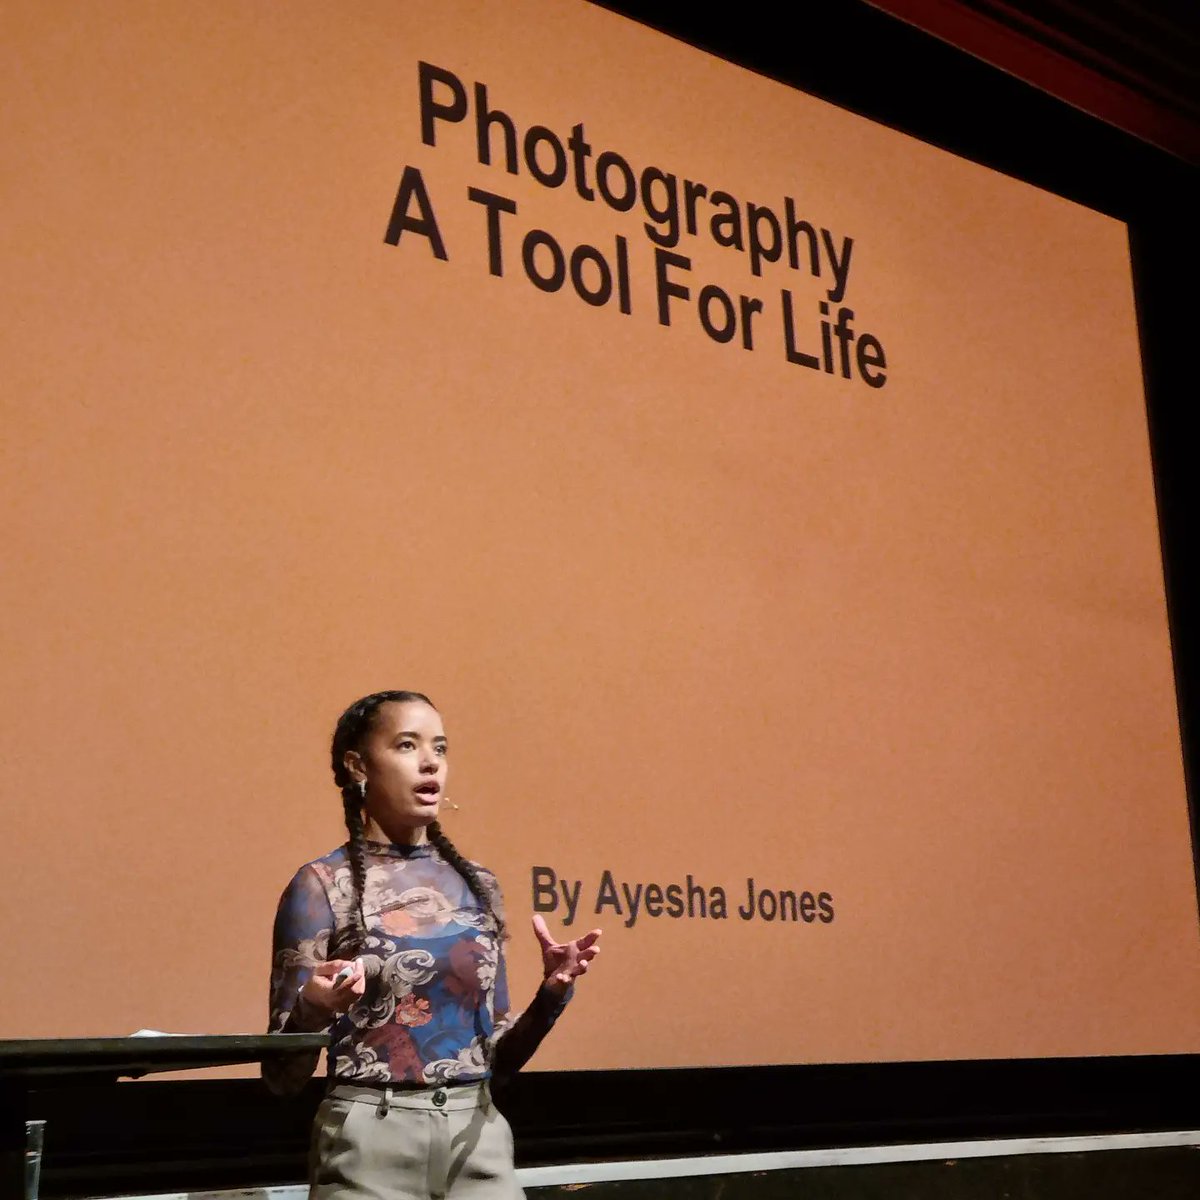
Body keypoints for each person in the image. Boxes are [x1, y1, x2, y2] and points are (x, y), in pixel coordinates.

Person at [264, 689, 601, 1198]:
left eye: (440, 748)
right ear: (358, 765)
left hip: (477, 1136)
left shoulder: (478, 885)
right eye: (406, 745)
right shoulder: (320, 885)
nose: (430, 763)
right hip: (370, 1140)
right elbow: (280, 1079)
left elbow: (498, 1061)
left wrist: (552, 994)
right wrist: (312, 1013)